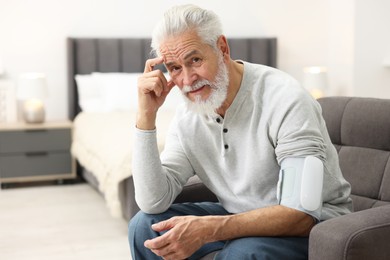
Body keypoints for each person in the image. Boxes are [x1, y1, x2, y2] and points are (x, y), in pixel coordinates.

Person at [128, 4, 352, 260]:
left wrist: (210, 229)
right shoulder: (187, 117)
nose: (188, 80)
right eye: (175, 68)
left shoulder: (285, 99)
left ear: (222, 48)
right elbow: (152, 201)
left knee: (243, 252)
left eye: (195, 60)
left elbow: (300, 214)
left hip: (314, 227)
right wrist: (146, 116)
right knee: (144, 227)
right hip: (238, 216)